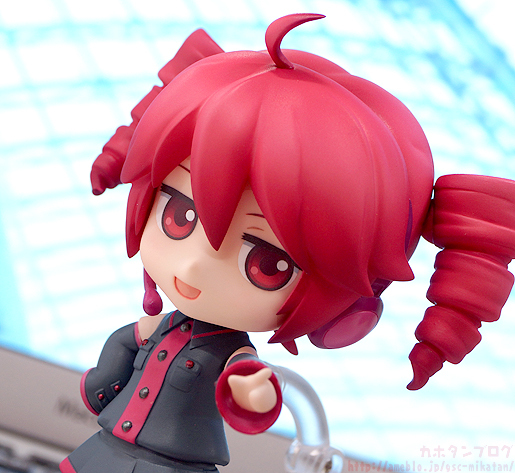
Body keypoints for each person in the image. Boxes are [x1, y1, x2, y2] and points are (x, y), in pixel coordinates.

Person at [60, 13, 515, 473]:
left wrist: (253, 394)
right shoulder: (159, 326)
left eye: (265, 263)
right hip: (105, 450)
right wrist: (105, 379)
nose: (194, 265)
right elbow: (123, 347)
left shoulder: (230, 353)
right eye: (180, 216)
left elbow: (250, 385)